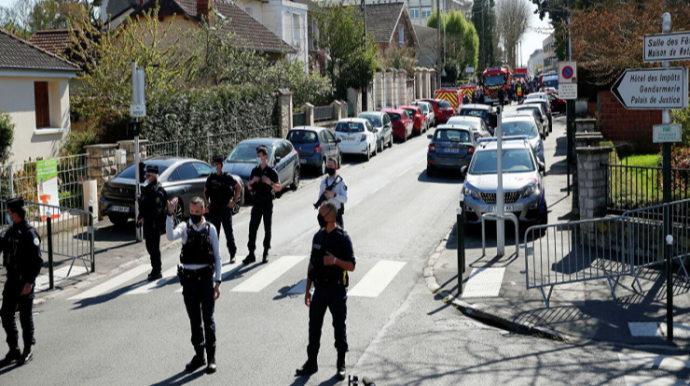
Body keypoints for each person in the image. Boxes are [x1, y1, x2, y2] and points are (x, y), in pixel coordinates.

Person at [295, 202, 356, 381]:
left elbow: (352, 265)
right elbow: (312, 264)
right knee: (314, 327)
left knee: (339, 327)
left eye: (321, 213)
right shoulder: (318, 236)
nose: (319, 216)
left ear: (330, 215)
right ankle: (311, 362)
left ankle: (341, 364)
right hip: (320, 288)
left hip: (337, 289)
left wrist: (335, 261)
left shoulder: (343, 237)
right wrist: (307, 290)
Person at [166, 196, 222, 374]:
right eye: (192, 212)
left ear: (203, 211)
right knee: (194, 321)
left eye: (198, 212)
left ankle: (211, 357)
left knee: (208, 320)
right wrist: (169, 214)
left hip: (205, 280)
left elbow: (218, 257)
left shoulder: (210, 229)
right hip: (189, 281)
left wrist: (218, 282)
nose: (194, 215)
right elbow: (169, 236)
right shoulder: (185, 227)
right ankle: (199, 355)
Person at [0, 198, 43, 367]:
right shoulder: (12, 232)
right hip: (11, 281)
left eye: (9, 213)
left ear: (15, 215)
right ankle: (13, 349)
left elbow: (38, 261)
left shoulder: (29, 233)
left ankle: (27, 350)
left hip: (24, 283)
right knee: (5, 314)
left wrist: (30, 283)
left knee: (25, 317)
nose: (8, 215)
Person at [244, 145, 281, 265]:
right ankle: (251, 253)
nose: (257, 158)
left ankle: (265, 252)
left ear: (265, 157)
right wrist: (252, 181)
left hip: (267, 203)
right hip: (257, 203)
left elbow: (279, 187)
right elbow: (248, 187)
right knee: (252, 228)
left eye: (259, 156)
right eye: (257, 156)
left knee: (267, 228)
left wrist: (269, 182)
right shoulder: (255, 171)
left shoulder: (271, 171)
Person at [205, 155, 242, 264]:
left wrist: (234, 201)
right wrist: (208, 203)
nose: (214, 166)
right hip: (214, 210)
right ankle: (214, 257)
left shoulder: (227, 177)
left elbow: (238, 187)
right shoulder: (210, 178)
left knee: (228, 233)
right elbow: (205, 190)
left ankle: (232, 254)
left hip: (225, 209)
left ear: (220, 165)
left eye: (215, 164)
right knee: (214, 235)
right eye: (213, 164)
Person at [137, 165, 167, 281]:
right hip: (148, 224)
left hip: (154, 224)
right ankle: (154, 269)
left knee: (154, 248)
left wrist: (146, 218)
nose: (146, 177)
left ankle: (157, 270)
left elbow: (157, 211)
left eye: (149, 175)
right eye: (146, 175)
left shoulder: (158, 191)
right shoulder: (147, 189)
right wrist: (140, 215)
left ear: (154, 176)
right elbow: (143, 206)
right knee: (149, 247)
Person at [316, 158, 347, 228]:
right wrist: (322, 202)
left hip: (337, 214)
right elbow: (320, 197)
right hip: (326, 215)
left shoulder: (341, 182)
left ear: (335, 167)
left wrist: (334, 195)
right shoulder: (323, 182)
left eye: (331, 166)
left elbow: (345, 199)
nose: (329, 168)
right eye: (328, 166)